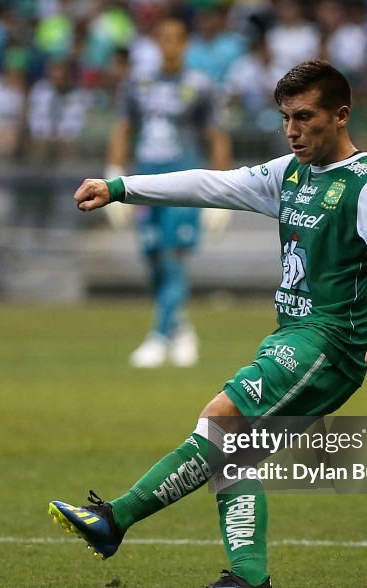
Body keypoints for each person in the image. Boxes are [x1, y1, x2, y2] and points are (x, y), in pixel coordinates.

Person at [50, 60, 367, 588]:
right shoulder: (291, 174)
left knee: (220, 419)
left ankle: (114, 519)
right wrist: (121, 187)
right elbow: (212, 184)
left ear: (341, 116)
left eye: (305, 117)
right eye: (285, 118)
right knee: (233, 449)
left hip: (328, 344)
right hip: (293, 336)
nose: (292, 130)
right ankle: (248, 578)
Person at [106, 16, 232, 368]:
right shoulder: (137, 83)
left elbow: (216, 136)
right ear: (156, 42)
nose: (170, 45)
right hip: (144, 181)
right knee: (151, 255)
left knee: (173, 255)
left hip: (184, 184)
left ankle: (159, 337)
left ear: (185, 44)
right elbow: (123, 127)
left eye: (177, 38)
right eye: (164, 38)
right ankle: (181, 328)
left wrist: (222, 194)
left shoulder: (201, 85)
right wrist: (114, 172)